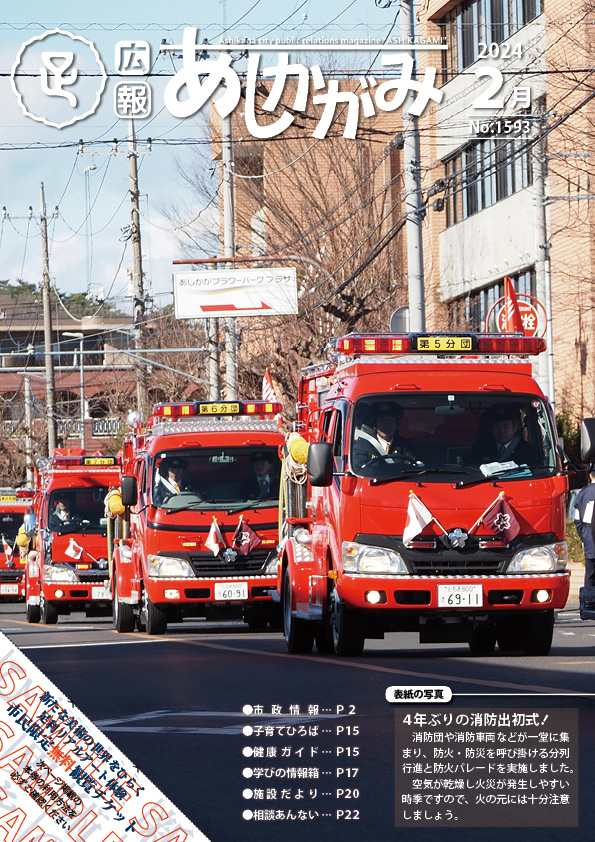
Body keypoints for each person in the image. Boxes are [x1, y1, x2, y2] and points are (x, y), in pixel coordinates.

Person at [352, 401, 418, 471]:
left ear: (397, 424)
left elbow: (413, 466)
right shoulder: (363, 445)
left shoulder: (406, 445)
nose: (386, 425)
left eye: (390, 421)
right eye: (381, 421)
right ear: (375, 425)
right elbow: (359, 470)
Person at [473, 404, 538, 465]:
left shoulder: (526, 450)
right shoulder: (481, 449)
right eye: (497, 427)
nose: (501, 431)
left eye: (506, 427)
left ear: (514, 428)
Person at [576, 472, 595, 587]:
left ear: (590, 475)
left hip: (589, 539)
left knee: (590, 574)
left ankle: (589, 601)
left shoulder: (582, 493)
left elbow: (578, 520)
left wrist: (584, 536)